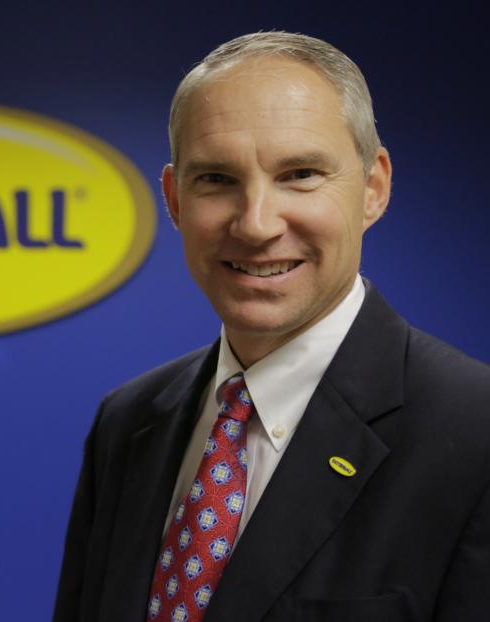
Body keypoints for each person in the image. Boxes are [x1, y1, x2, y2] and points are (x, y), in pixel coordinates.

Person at [53, 32, 490, 622]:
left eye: (301, 173)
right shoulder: (128, 422)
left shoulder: (476, 435)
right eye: (216, 179)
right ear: (176, 201)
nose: (257, 224)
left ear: (373, 188)